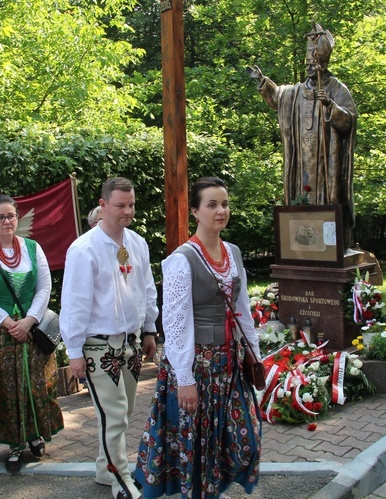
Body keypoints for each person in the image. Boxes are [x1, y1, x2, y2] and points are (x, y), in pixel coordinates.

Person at [135, 177, 261, 499]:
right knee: (199, 441)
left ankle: (213, 488)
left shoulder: (232, 252)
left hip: (229, 363)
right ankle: (202, 493)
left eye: (225, 204)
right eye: (212, 205)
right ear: (195, 211)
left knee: (242, 438)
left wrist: (253, 353)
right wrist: (184, 378)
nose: (221, 211)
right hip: (199, 366)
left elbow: (242, 307)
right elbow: (175, 324)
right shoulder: (183, 259)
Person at [60, 177, 158, 499]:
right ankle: (121, 480)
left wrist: (148, 330)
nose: (127, 211)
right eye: (120, 205)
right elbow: (74, 303)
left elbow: (147, 289)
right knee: (113, 414)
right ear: (102, 206)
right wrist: (74, 350)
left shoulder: (137, 244)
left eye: (131, 205)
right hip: (97, 345)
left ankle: (105, 468)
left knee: (124, 412)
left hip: (130, 341)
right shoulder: (84, 249)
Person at [0, 194, 64, 473]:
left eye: (11, 216)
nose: (7, 221)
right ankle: (14, 445)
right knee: (6, 390)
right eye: (0, 217)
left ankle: (34, 435)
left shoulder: (32, 248)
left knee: (36, 386)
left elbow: (44, 287)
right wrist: (9, 323)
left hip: (31, 332)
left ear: (17, 219)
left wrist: (29, 320)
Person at [247, 23, 357, 248]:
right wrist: (262, 82)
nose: (309, 68)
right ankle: (304, 247)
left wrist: (330, 105)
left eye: (313, 64)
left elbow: (348, 121)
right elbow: (278, 97)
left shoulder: (337, 89)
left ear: (323, 64)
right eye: (307, 64)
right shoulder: (296, 92)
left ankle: (332, 247)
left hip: (327, 165)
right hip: (302, 165)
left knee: (329, 201)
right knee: (301, 199)